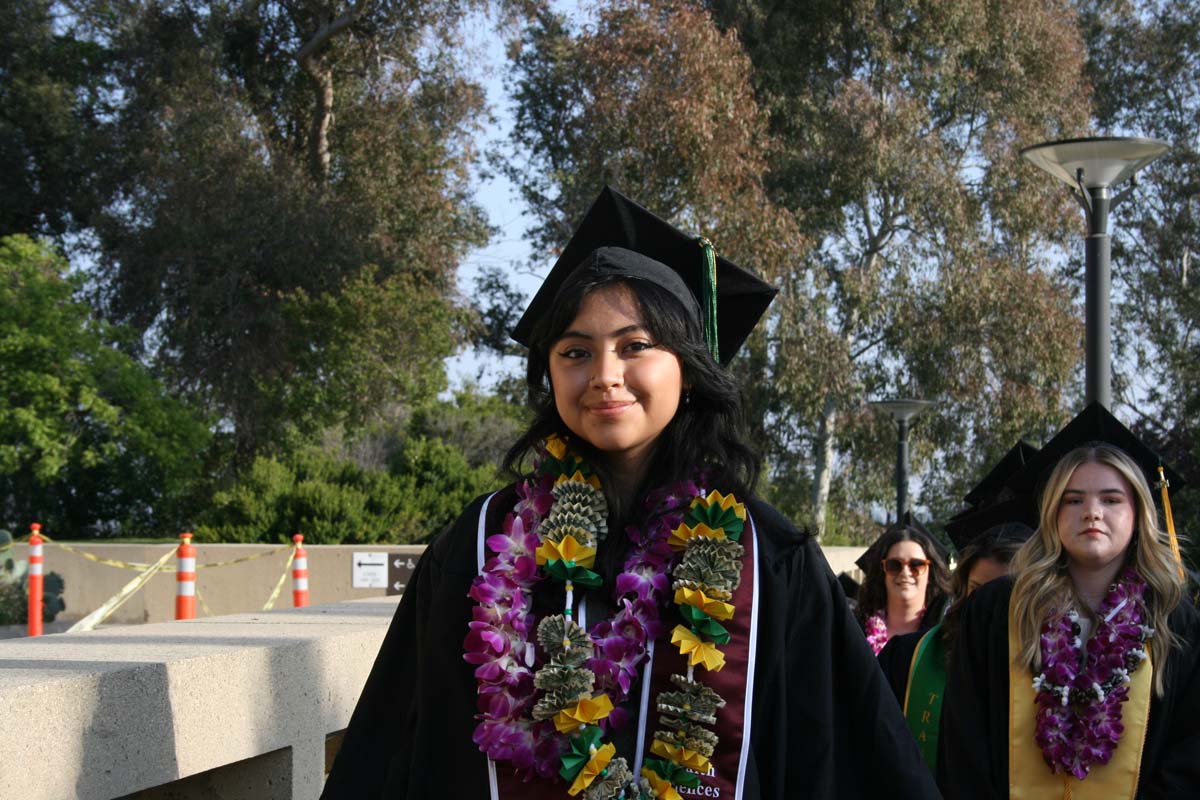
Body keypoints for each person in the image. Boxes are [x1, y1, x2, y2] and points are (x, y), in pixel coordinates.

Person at [321, 186, 939, 800]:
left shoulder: (767, 556)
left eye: (635, 345)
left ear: (690, 370)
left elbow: (841, 760)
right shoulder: (483, 544)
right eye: (575, 352)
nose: (605, 376)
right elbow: (398, 751)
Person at [938, 403, 1200, 799]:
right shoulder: (998, 610)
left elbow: (1190, 749)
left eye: (1111, 500)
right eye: (1073, 500)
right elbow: (964, 745)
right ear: (1051, 513)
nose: (1091, 513)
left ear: (1138, 513)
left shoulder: (1171, 616)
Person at [877, 501, 1034, 771]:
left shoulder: (1057, 675)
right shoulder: (906, 659)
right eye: (978, 590)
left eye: (1007, 594)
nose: (989, 605)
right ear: (961, 590)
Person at [855, 515, 951, 655]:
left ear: (930, 573)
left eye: (916, 565)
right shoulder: (857, 630)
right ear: (883, 572)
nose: (905, 572)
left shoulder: (945, 631)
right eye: (894, 565)